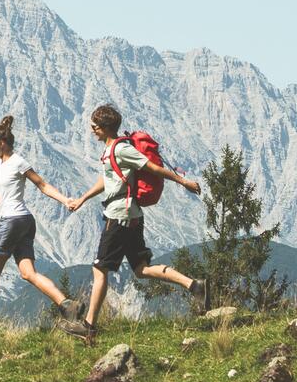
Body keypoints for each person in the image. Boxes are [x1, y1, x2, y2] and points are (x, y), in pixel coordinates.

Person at [68, 103, 209, 334]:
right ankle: (194, 286)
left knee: (100, 269)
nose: (92, 129)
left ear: (105, 127)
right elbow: (108, 180)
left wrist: (184, 182)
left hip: (119, 217)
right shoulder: (110, 151)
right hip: (130, 216)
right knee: (142, 269)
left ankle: (88, 326)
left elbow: (153, 168)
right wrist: (82, 199)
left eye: (95, 125)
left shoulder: (121, 149)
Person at [0, 116, 95, 346]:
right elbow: (2, 194)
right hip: (24, 221)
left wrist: (64, 200)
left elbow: (41, 184)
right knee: (28, 273)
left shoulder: (18, 162)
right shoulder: (0, 163)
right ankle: (68, 305)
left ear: (2, 143)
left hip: (12, 221)